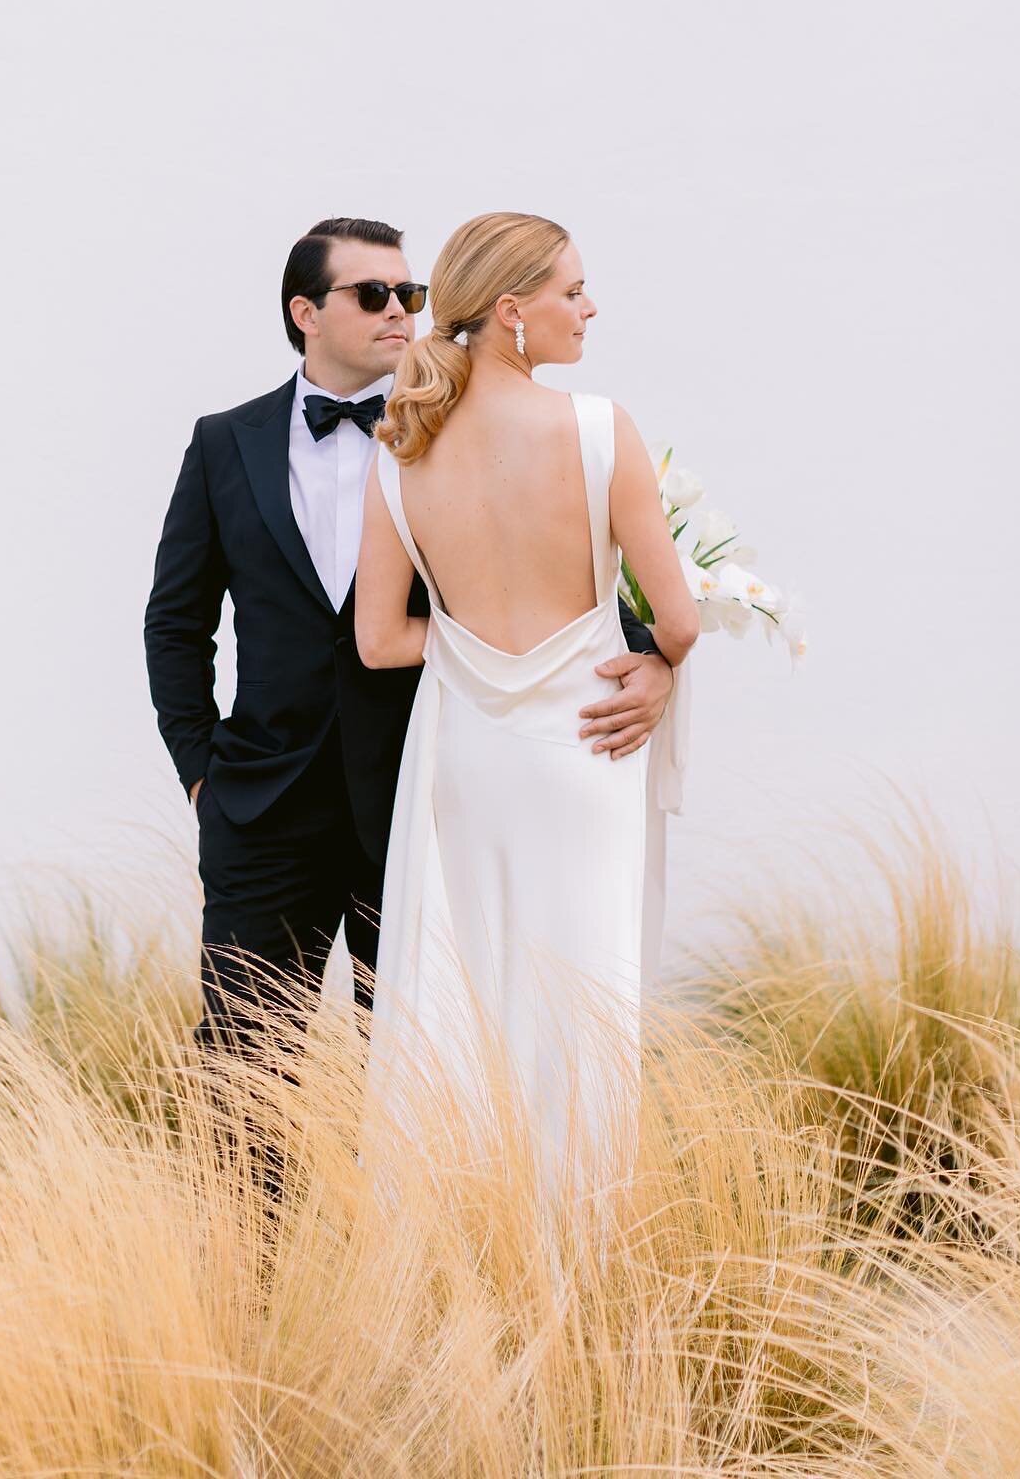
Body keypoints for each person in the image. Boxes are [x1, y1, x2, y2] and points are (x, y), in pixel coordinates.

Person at [142, 216, 675, 1092]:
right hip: (261, 810)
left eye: (411, 294)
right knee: (243, 1074)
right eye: (373, 295)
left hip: (422, 796)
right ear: (304, 312)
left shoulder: (442, 430)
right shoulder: (222, 443)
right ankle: (242, 1238)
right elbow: (175, 623)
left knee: (425, 1075)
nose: (402, 311)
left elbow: (556, 576)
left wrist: (650, 655)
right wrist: (203, 774)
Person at [353, 211, 700, 1203]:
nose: (590, 308)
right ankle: (574, 1260)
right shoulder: (597, 430)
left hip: (469, 756)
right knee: (584, 997)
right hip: (589, 740)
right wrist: (656, 666)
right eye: (572, 291)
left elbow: (381, 642)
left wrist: (468, 647)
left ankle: (466, 1236)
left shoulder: (400, 451)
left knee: (471, 1001)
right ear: (512, 312)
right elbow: (675, 619)